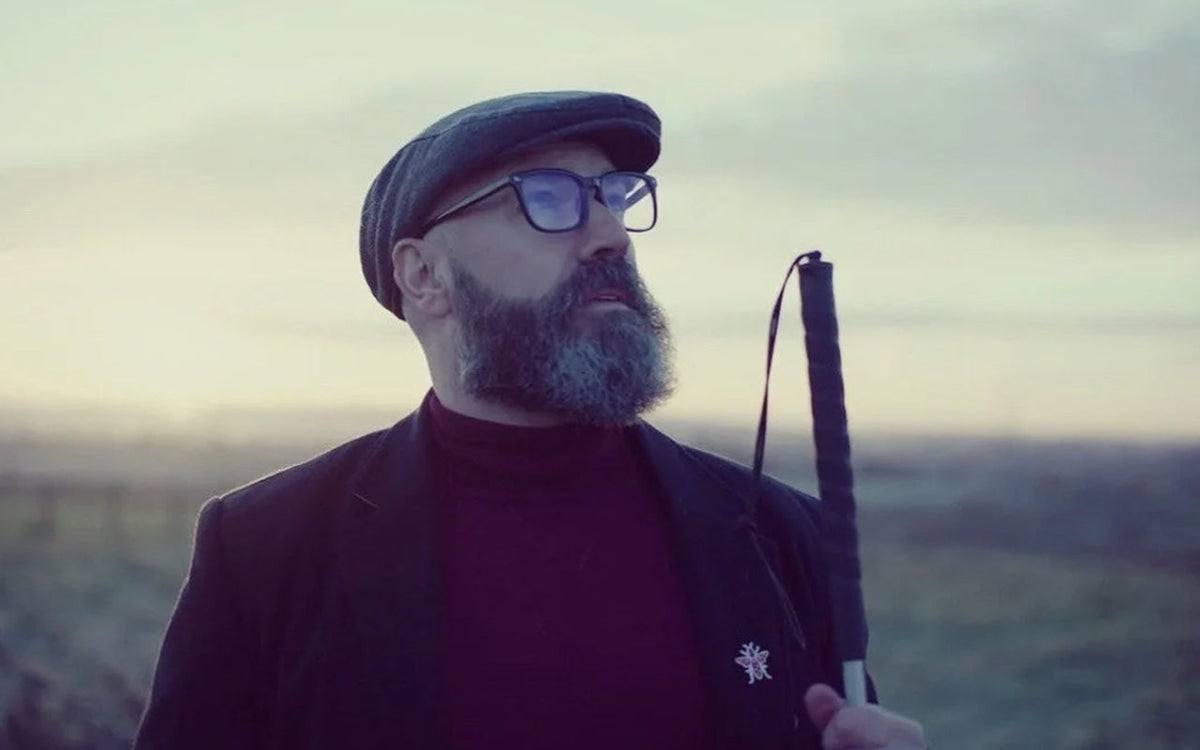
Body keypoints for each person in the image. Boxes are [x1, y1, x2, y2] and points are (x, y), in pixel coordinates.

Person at [134, 90, 927, 750]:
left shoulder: (776, 533)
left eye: (616, 197)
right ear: (423, 274)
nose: (612, 235)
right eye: (548, 199)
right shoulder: (268, 545)